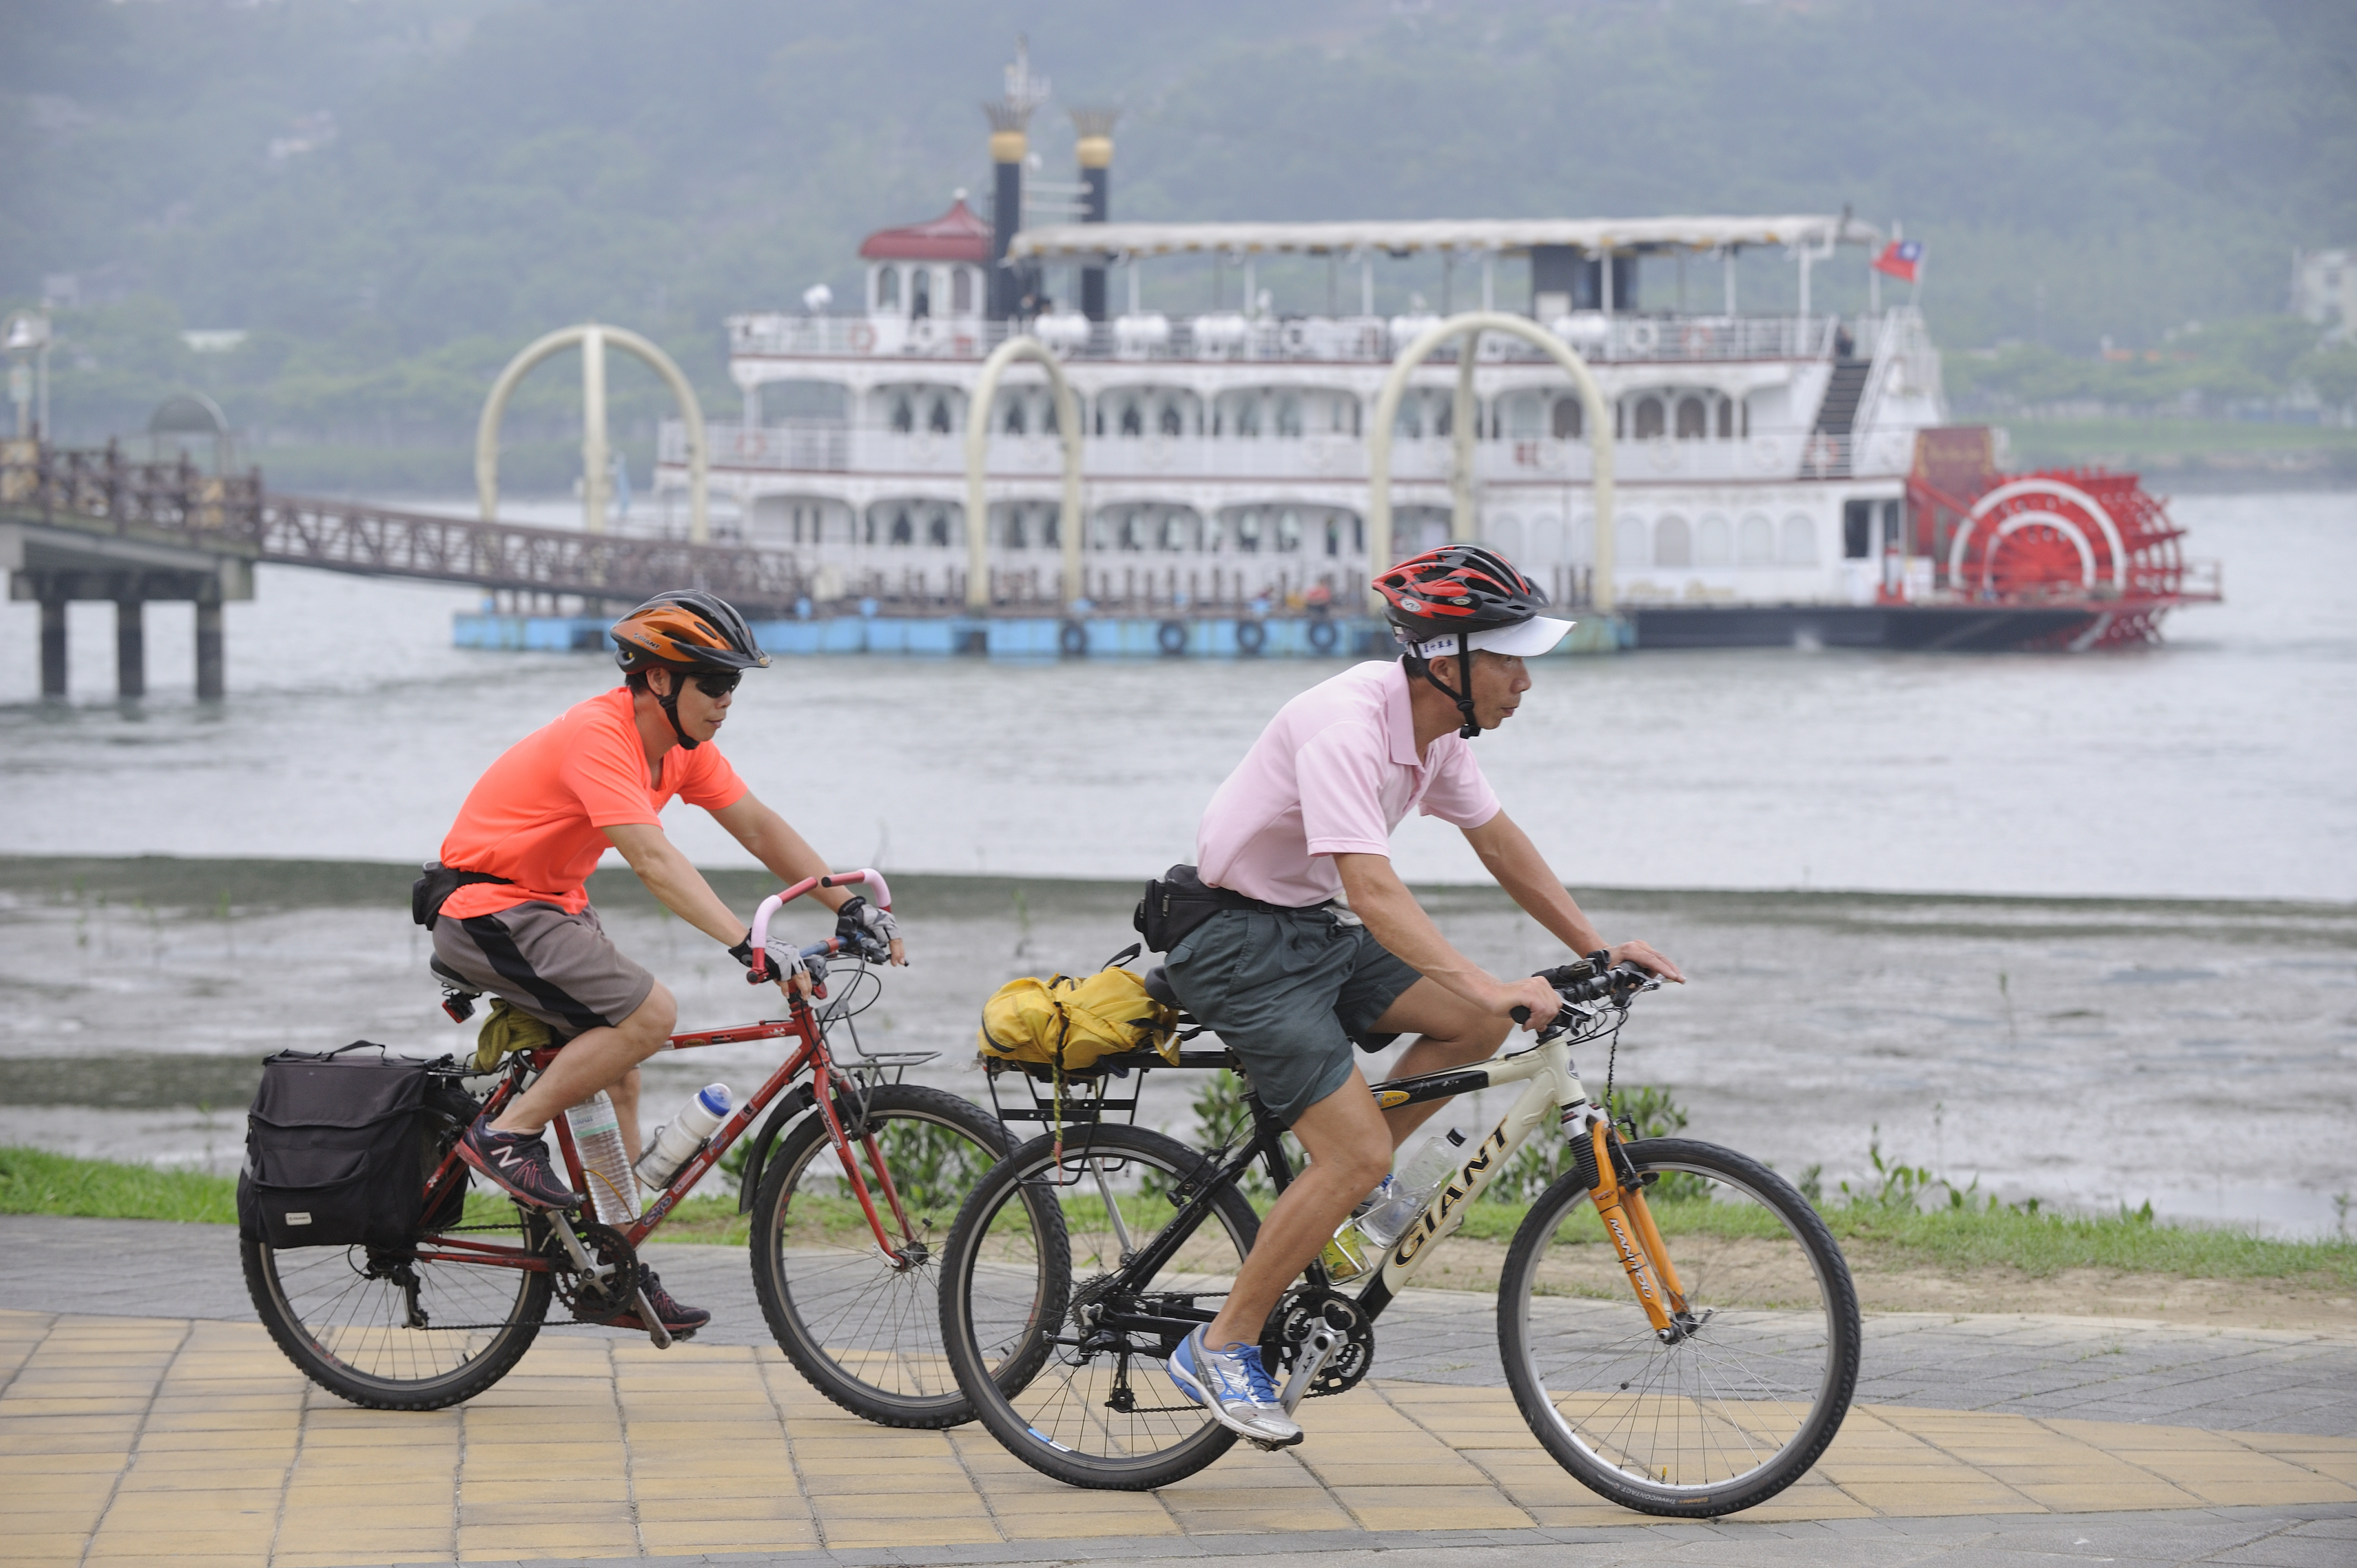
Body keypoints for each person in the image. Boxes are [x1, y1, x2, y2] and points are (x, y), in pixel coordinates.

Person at [1160, 546, 1684, 1444]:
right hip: (1237, 943)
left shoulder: (1437, 732)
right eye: (1510, 659)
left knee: (1472, 1025)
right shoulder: (1346, 726)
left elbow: (1500, 844)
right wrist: (1491, 982)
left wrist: (1597, 951)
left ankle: (1348, 1194)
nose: (1526, 681)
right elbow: (1372, 889)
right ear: (1449, 659)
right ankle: (1222, 1344)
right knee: (1359, 1147)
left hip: (1311, 929)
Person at [423, 590, 904, 1336]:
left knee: (619, 1071)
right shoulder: (600, 736)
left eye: (734, 683)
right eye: (714, 681)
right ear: (658, 680)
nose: (727, 699)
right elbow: (651, 858)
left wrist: (845, 904)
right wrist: (746, 942)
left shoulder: (682, 751)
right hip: (488, 910)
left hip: (548, 907)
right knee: (652, 1015)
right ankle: (508, 1135)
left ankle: (613, 1268)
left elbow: (758, 827)